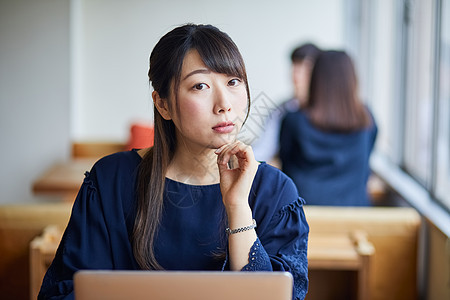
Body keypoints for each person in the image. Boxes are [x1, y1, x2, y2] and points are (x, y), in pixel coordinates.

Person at [38, 24, 309, 299]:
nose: (224, 104)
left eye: (233, 82)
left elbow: (277, 295)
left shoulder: (275, 192)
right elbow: (66, 291)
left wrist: (238, 206)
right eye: (200, 85)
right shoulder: (110, 181)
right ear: (163, 104)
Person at [279, 50, 378, 206]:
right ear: (352, 80)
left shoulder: (293, 121)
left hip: (304, 217)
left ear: (315, 79)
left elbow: (286, 167)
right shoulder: (367, 119)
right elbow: (367, 159)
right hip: (355, 216)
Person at [252, 43, 321, 166]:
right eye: (295, 68)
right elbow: (263, 151)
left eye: (305, 70)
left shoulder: (331, 114)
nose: (297, 76)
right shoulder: (282, 111)